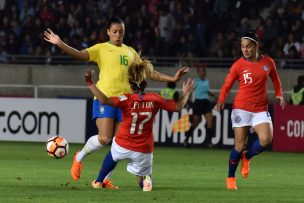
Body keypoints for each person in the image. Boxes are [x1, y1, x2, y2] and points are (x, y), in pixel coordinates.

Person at [43, 16, 189, 188]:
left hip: (127, 103)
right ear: (108, 32)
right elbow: (80, 55)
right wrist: (60, 43)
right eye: (114, 31)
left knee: (118, 145)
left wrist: (172, 78)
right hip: (105, 98)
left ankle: (104, 180)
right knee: (105, 138)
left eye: (121, 31)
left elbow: (148, 72)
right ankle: (79, 156)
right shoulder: (101, 48)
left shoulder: (130, 52)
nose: (118, 35)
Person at [84, 59, 194, 191]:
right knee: (141, 175)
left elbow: (104, 100)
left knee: (112, 155)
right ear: (145, 83)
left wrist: (90, 83)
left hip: (123, 144)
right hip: (144, 148)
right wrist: (186, 93)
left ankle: (98, 181)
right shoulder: (155, 98)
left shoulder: (126, 99)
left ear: (130, 84)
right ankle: (145, 182)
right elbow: (177, 107)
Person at [214, 29, 285, 190]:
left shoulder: (268, 62)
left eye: (248, 47)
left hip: (260, 108)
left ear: (256, 46)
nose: (245, 50)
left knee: (266, 139)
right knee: (239, 145)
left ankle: (247, 157)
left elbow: (276, 80)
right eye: (242, 47)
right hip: (241, 108)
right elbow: (227, 85)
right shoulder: (238, 65)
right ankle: (230, 178)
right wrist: (220, 100)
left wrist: (279, 94)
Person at [183, 65, 217, 147]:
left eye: (203, 71)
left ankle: (209, 142)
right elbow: (189, 91)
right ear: (198, 72)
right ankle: (187, 137)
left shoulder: (206, 81)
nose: (202, 73)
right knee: (196, 123)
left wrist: (215, 96)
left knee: (210, 122)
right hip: (198, 103)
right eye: (201, 71)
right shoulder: (195, 81)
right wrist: (187, 101)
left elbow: (206, 91)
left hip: (206, 102)